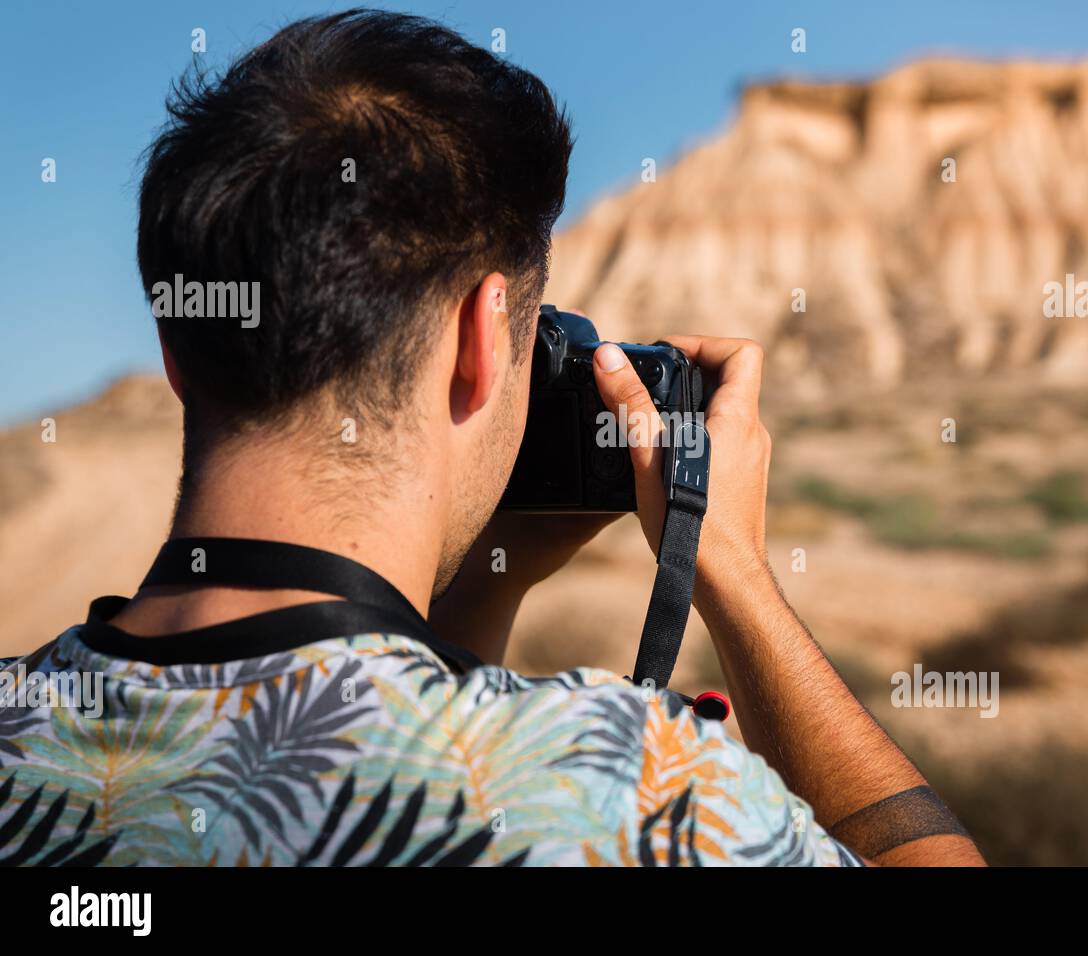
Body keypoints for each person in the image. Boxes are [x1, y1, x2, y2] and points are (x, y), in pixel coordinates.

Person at [0, 9, 983, 867]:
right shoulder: (621, 793)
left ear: (176, 344)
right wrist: (732, 571)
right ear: (481, 337)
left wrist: (489, 576)